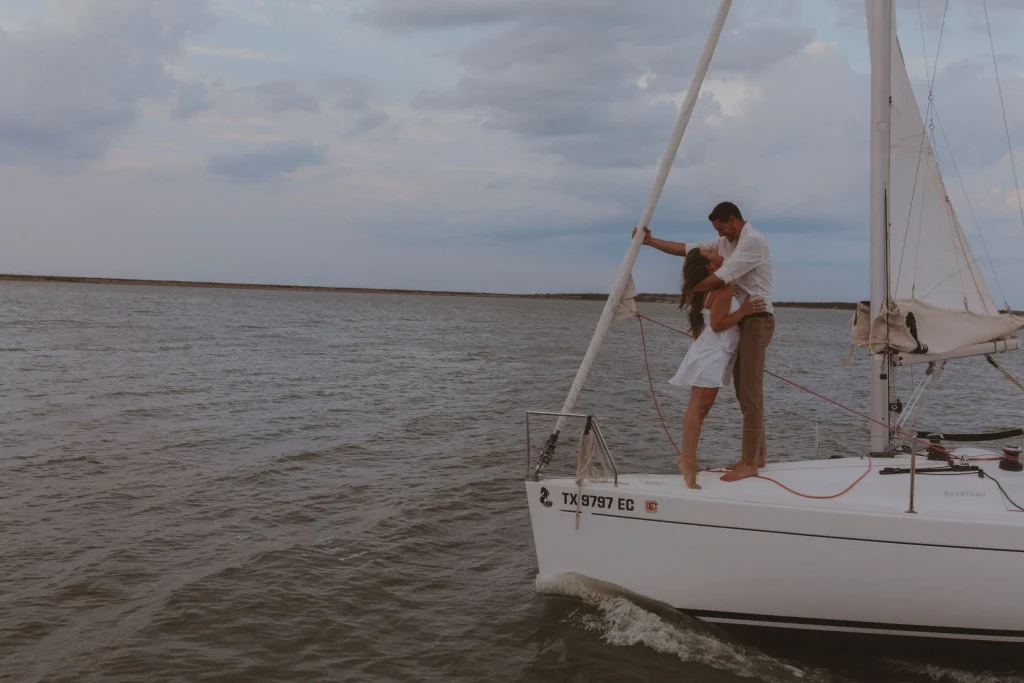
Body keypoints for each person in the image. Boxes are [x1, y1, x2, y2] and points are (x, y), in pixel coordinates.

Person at [634, 200, 773, 483]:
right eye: (717, 232)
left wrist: (690, 288)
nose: (719, 237)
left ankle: (750, 462)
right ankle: (756, 456)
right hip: (739, 319)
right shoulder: (724, 242)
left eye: (722, 228)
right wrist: (649, 242)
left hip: (755, 317)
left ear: (733, 220)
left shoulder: (752, 242)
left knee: (749, 393)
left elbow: (722, 277)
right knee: (746, 393)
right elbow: (686, 249)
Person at [670, 247, 763, 489]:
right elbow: (719, 324)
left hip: (711, 350)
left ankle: (687, 458)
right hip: (714, 352)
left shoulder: (717, 286)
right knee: (699, 409)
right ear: (711, 267)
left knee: (699, 408)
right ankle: (688, 462)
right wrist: (744, 311)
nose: (718, 250)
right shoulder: (723, 287)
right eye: (712, 253)